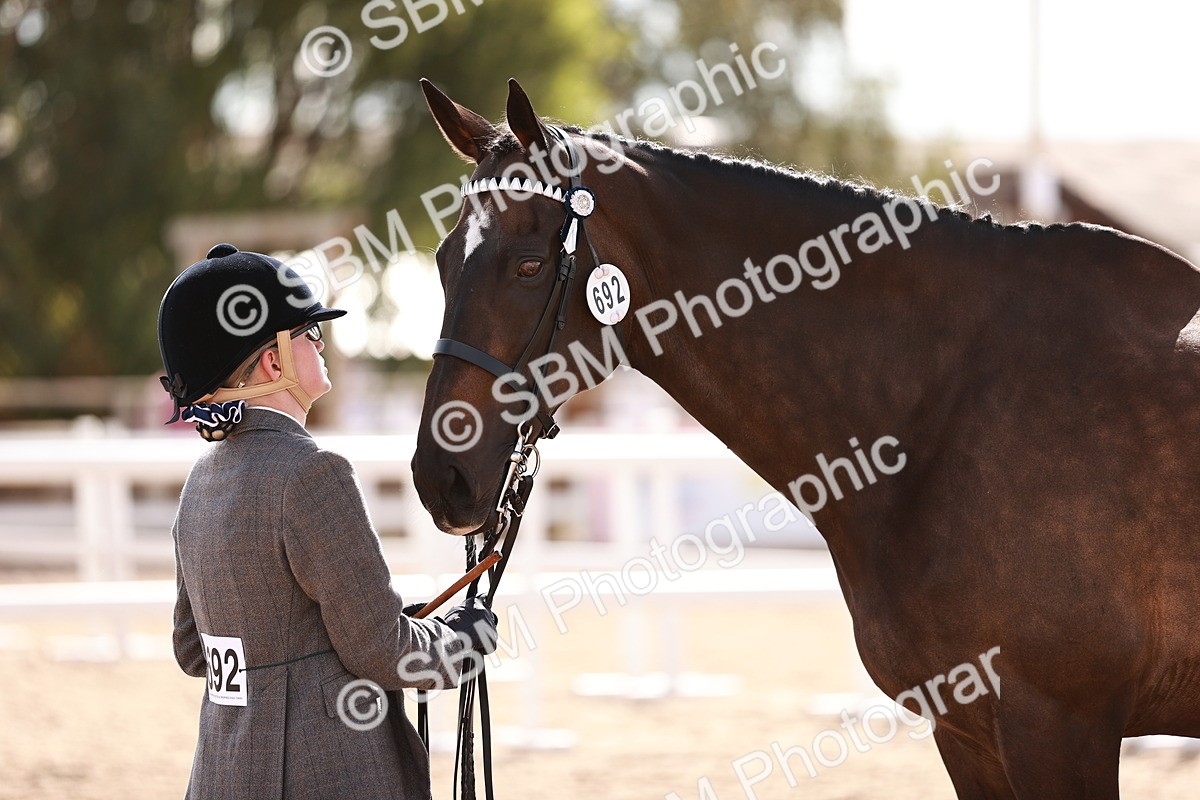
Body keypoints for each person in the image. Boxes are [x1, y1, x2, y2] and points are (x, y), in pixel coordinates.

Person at [158, 243, 496, 800]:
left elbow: (194, 651)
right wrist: (459, 641)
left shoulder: (200, 483)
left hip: (221, 770)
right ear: (274, 361)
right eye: (312, 334)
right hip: (328, 770)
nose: (323, 344)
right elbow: (382, 650)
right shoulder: (313, 473)